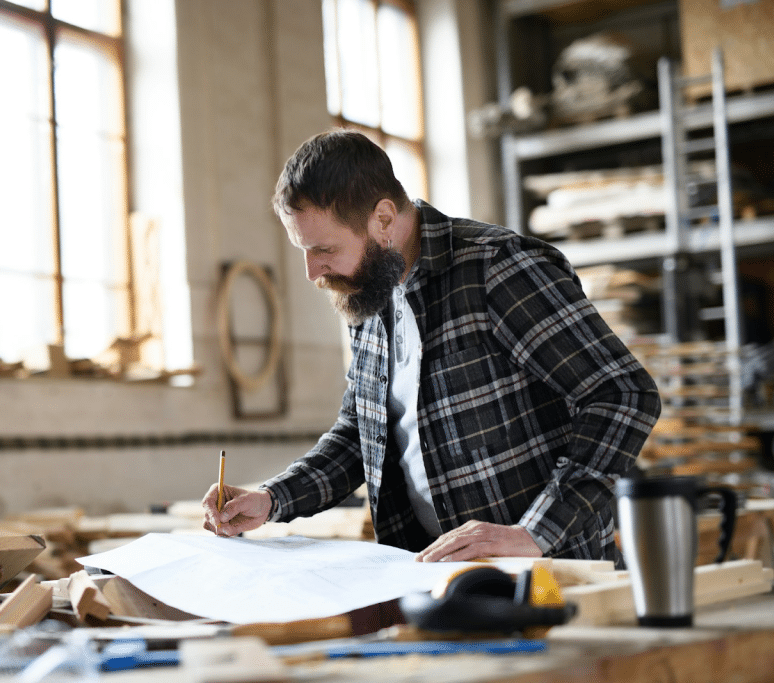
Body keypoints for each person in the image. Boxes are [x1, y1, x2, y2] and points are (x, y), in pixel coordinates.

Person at [202, 130, 661, 563]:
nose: (312, 271)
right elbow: (360, 438)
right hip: (433, 574)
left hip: (551, 574)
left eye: (323, 249)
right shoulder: (369, 295)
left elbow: (622, 394)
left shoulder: (497, 268)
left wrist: (535, 531)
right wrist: (273, 498)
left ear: (383, 219)